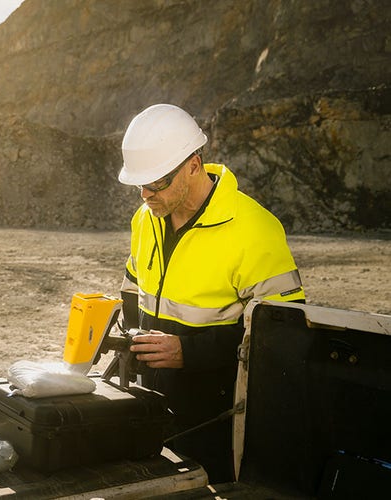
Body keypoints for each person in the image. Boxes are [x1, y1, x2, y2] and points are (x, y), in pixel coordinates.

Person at [117, 103, 305, 483]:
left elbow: (286, 340)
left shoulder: (254, 230)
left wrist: (189, 352)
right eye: (141, 184)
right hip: (150, 405)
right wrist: (128, 336)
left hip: (215, 417)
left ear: (193, 164)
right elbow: (132, 288)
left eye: (158, 183)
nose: (146, 195)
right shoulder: (146, 218)